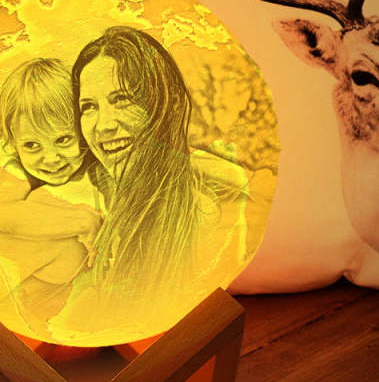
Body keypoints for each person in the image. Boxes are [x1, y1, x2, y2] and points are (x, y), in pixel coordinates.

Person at [68, 26, 249, 317]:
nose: (103, 126)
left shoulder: (202, 214)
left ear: (166, 104)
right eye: (89, 106)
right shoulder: (118, 204)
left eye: (122, 99)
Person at [0, 58, 102, 325]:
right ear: (13, 143)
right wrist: (83, 221)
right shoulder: (18, 167)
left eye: (63, 139)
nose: (50, 158)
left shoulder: (97, 156)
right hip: (33, 297)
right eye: (31, 145)